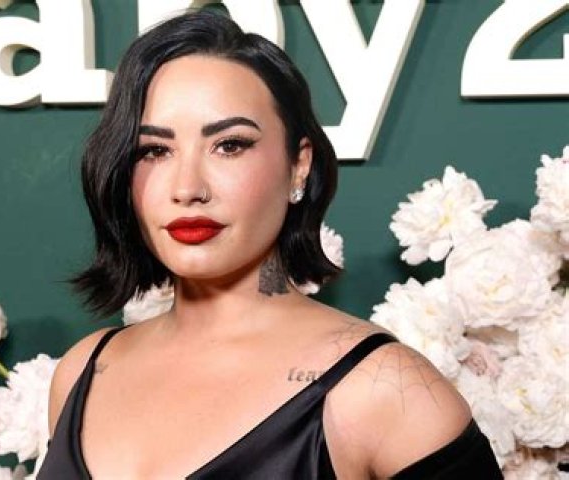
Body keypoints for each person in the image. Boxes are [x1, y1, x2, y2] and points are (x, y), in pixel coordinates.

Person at [37, 9, 502, 479]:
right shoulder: (83, 371)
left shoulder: (382, 391)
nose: (187, 187)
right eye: (154, 150)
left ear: (299, 166)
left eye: (229, 145)